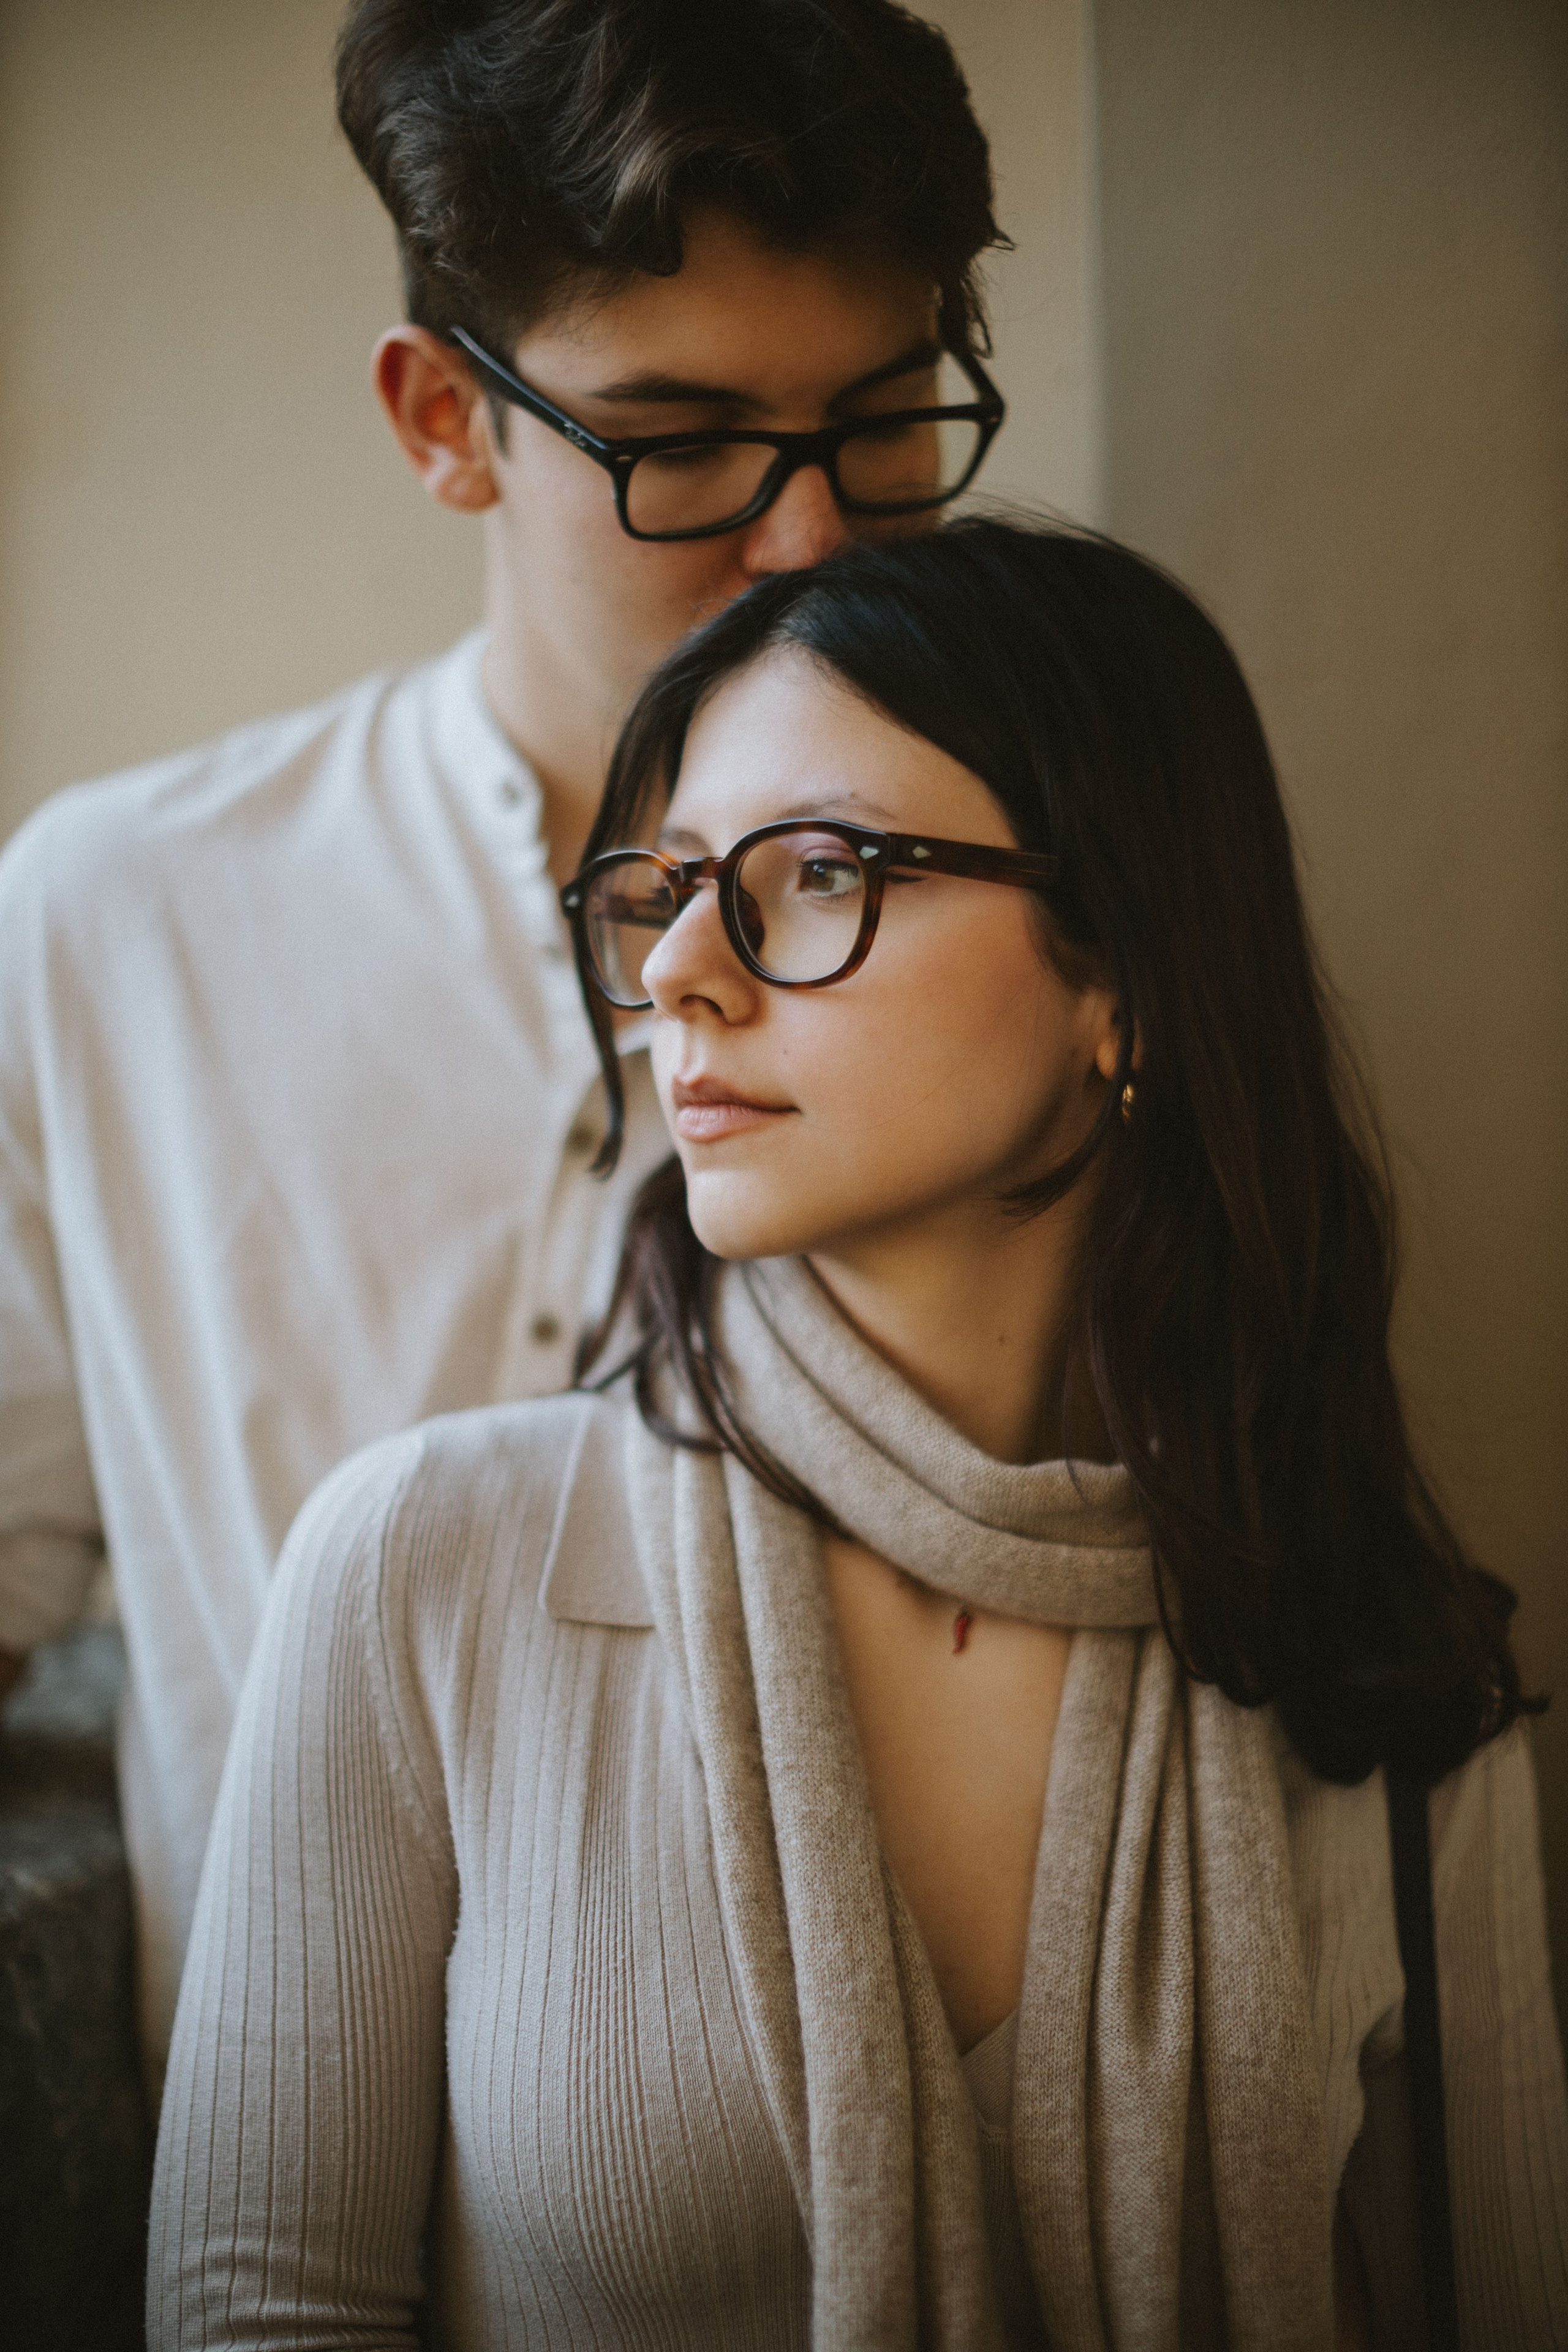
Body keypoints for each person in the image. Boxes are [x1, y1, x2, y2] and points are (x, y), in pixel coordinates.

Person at [149, 519, 1568, 2348]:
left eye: (815, 873)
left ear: (1118, 970)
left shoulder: (1375, 1659)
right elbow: (261, 2303)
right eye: (665, 892)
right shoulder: (430, 1563)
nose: (680, 976)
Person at [0, 0, 1006, 2074]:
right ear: (442, 421)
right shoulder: (115, 918)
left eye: (881, 420)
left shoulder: (1045, 944)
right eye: (684, 442)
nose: (809, 539)